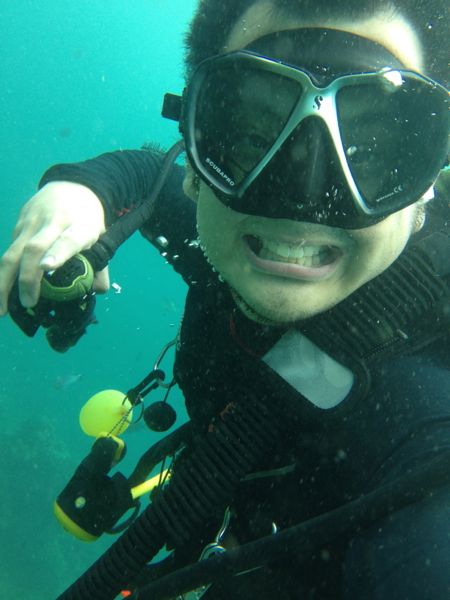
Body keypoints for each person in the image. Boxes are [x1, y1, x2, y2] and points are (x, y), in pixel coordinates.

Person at [1, 1, 449, 598]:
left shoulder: (423, 415)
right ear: (193, 163)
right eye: (253, 136)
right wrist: (78, 193)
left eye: (369, 151)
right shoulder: (217, 239)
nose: (302, 201)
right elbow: (145, 175)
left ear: (426, 191)